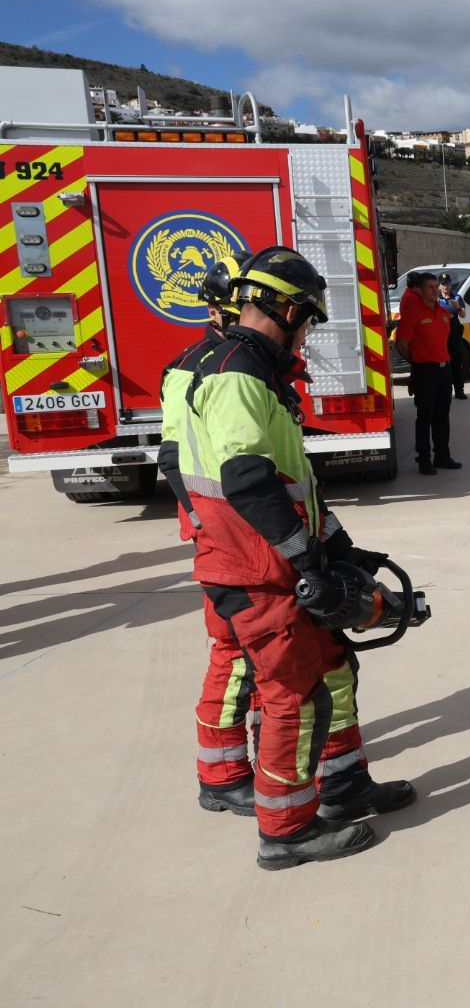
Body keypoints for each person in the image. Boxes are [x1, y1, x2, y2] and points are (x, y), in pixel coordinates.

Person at [181, 246, 415, 870]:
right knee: (292, 694)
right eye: (307, 318)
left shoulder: (255, 370)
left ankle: (341, 788)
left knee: (334, 667)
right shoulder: (236, 373)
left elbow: (293, 485)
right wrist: (308, 563)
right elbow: (248, 480)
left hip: (271, 559)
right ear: (284, 308)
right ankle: (286, 830)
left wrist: (340, 550)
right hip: (254, 569)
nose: (308, 331)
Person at [157, 250, 260, 815]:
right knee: (236, 649)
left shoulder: (240, 363)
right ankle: (221, 773)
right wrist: (205, 526)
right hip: (226, 533)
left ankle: (270, 755)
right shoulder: (198, 367)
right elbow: (176, 458)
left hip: (244, 533)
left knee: (266, 651)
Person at [393, 270, 460, 474]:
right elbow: (402, 345)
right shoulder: (413, 314)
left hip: (443, 369)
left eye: (435, 286)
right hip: (425, 370)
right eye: (430, 287)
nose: (434, 290)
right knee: (425, 416)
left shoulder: (443, 313)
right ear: (420, 291)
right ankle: (424, 460)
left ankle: (442, 456)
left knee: (443, 415)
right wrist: (418, 361)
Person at [440, 275, 469, 400]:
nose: (446, 287)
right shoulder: (435, 299)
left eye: (448, 284)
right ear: (439, 286)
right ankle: (444, 393)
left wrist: (457, 307)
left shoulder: (456, 297)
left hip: (455, 335)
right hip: (441, 337)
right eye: (443, 284)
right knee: (443, 366)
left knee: (457, 363)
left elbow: (463, 314)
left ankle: (459, 391)